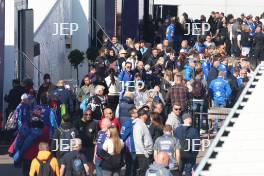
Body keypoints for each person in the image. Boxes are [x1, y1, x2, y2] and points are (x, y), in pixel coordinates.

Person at [75, 108, 98, 174]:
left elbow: (96, 135)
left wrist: (95, 143)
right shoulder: (77, 122)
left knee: (90, 164)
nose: (88, 116)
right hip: (80, 147)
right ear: (83, 114)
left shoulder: (94, 123)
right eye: (86, 114)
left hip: (90, 148)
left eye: (89, 114)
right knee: (79, 165)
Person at [133, 107, 153, 176]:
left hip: (145, 153)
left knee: (146, 172)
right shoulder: (138, 125)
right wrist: (145, 153)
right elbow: (138, 141)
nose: (148, 115)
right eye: (146, 114)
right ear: (142, 115)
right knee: (143, 172)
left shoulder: (142, 123)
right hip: (143, 154)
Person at [120, 106, 138, 176]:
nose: (138, 113)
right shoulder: (128, 123)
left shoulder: (137, 122)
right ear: (132, 114)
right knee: (130, 167)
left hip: (136, 148)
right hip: (130, 149)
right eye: (136, 112)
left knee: (134, 168)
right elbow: (122, 136)